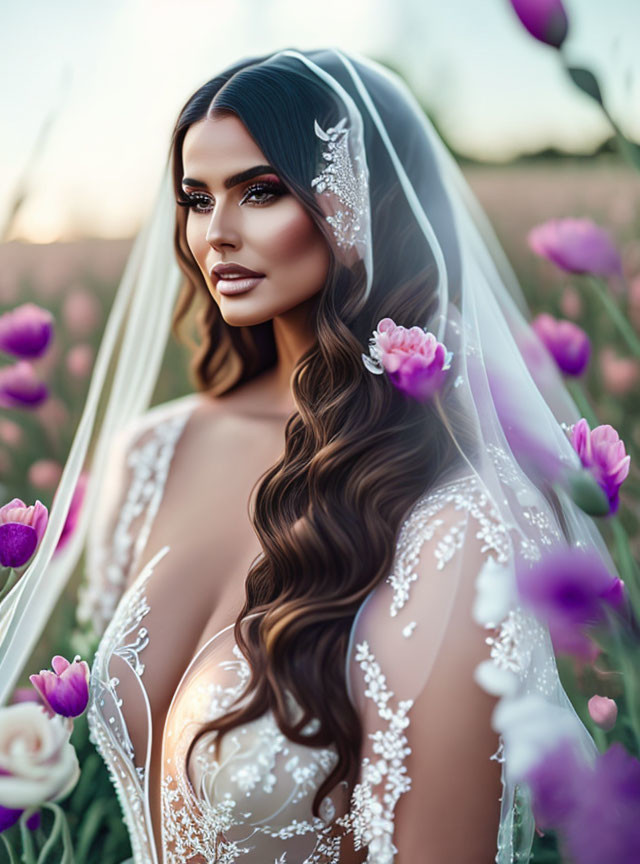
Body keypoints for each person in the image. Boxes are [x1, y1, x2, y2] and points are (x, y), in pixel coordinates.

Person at [1, 48, 608, 863]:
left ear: (363, 207)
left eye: (259, 191)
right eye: (195, 198)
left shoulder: (461, 513)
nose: (216, 234)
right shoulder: (150, 454)